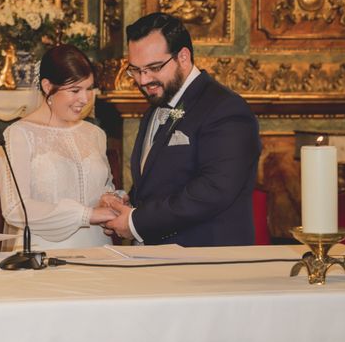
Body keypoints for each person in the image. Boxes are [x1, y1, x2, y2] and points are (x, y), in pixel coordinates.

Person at [102, 13, 261, 246]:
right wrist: (127, 203)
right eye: (135, 70)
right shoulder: (157, 103)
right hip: (162, 261)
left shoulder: (225, 108)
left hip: (205, 261)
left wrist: (137, 222)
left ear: (183, 57)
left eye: (154, 67)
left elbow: (214, 189)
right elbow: (163, 178)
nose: (143, 80)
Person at [0, 44, 117, 251]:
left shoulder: (95, 134)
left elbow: (102, 185)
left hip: (99, 250)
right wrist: (87, 215)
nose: (85, 98)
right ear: (47, 86)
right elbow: (15, 209)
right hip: (45, 253)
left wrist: (111, 199)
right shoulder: (19, 135)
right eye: (75, 90)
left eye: (89, 88)